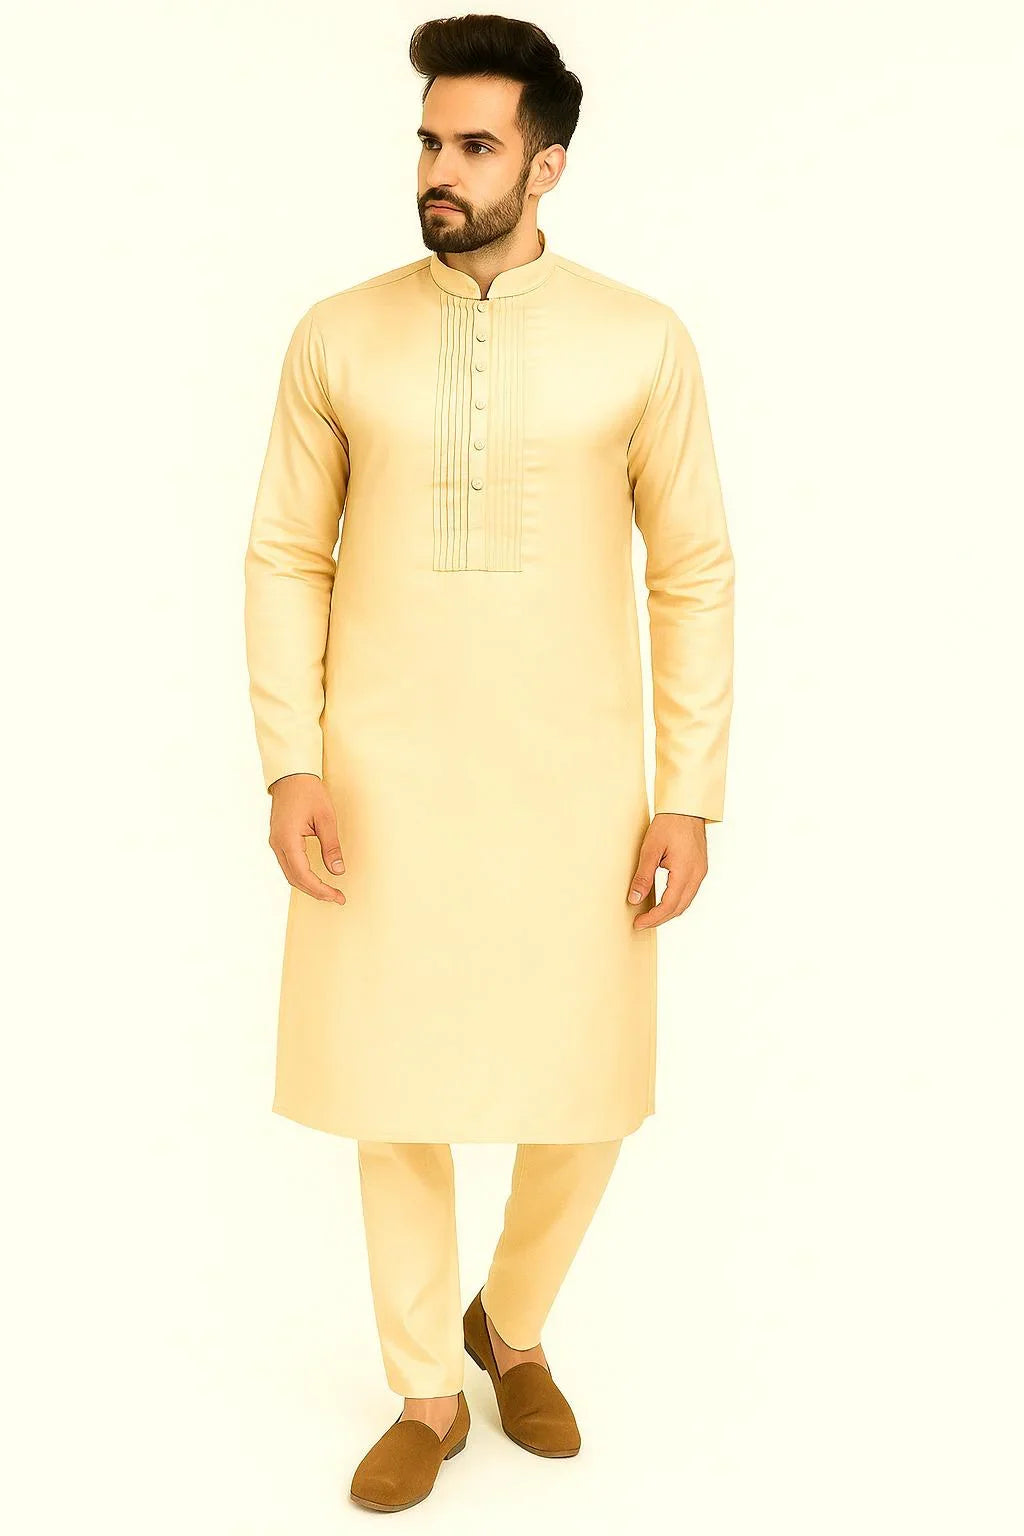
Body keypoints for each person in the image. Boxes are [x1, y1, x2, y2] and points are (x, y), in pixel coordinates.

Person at [244, 13, 735, 1514]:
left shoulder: (640, 339)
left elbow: (692, 572)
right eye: (427, 140)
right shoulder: (339, 333)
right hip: (382, 780)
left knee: (587, 1090)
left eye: (472, 144)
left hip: (578, 786)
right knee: (391, 1088)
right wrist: (291, 761)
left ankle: (508, 1324)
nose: (437, 171)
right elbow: (286, 554)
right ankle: (424, 1390)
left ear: (547, 163)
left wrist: (687, 791)